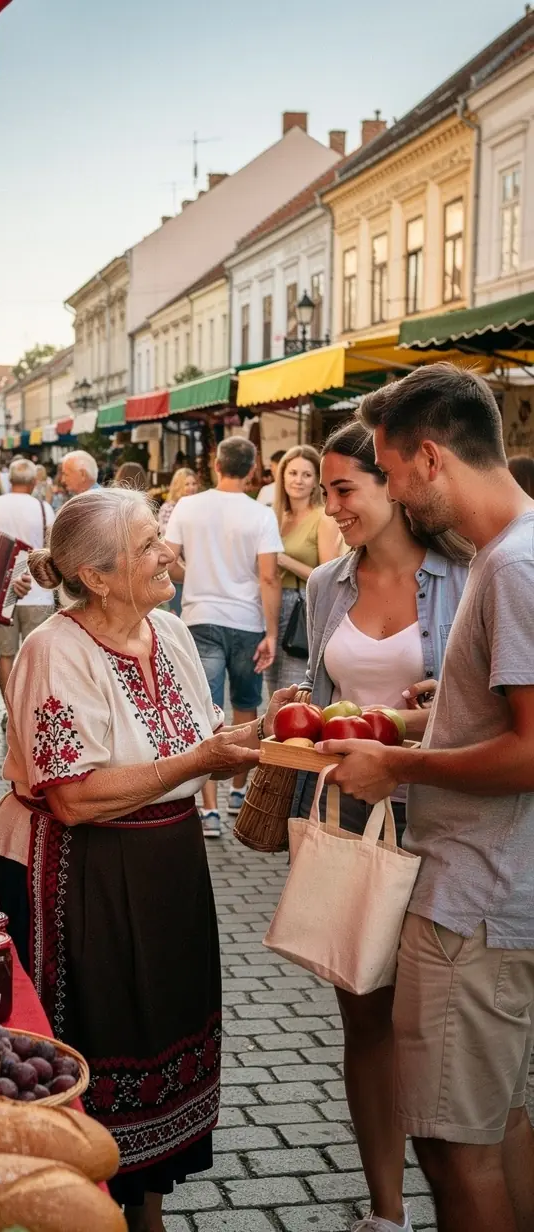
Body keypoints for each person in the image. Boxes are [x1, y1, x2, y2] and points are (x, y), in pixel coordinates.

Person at [0, 486, 260, 1229]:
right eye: (146, 545)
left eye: (159, 537)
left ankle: (148, 1209)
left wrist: (259, 744)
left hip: (167, 868)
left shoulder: (169, 632)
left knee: (164, 1022)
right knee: (98, 1040)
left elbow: (198, 751)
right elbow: (73, 796)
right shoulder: (53, 648)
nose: (166, 551)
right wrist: (200, 757)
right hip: (77, 876)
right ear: (97, 576)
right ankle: (78, 1206)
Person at [318, 363, 534, 1232]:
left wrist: (399, 769)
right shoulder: (508, 552)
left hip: (474, 900)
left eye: (392, 471)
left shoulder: (512, 568)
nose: (395, 496)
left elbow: (530, 751)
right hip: (491, 891)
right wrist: (433, 714)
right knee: (500, 1122)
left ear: (431, 459)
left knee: (452, 1149)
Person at [262, 420, 470, 1232]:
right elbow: (320, 697)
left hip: (448, 818)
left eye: (347, 488)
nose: (331, 505)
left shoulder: (467, 575)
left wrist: (406, 733)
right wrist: (295, 715)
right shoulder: (326, 586)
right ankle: (387, 1212)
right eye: (331, 489)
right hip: (349, 815)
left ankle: (465, 1193)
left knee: (441, 1031)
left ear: (393, 485)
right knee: (366, 1014)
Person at [164, 436, 283, 836]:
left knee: (206, 711)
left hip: (200, 618)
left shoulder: (188, 505)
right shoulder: (261, 514)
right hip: (247, 620)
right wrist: (272, 631)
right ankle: (238, 789)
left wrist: (192, 572)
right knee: (246, 705)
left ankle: (208, 809)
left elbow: (165, 558)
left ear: (215, 465)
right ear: (252, 470)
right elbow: (268, 576)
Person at [265, 445, 344, 694]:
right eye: (293, 473)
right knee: (271, 687)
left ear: (316, 483)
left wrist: (283, 560)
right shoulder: (274, 517)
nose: (298, 480)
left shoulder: (323, 518)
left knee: (291, 689)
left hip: (300, 606)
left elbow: (328, 575)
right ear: (283, 477)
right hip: (269, 607)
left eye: (307, 475)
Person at [0, 456, 55, 698]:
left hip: (3, 593)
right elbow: (51, 548)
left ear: (10, 479)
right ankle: (31, 711)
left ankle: (10, 712)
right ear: (35, 481)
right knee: (36, 657)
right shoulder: (44, 508)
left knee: (6, 654)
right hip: (38, 593)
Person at [158, 468, 199, 618]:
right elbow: (167, 542)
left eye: (194, 483)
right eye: (186, 484)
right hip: (178, 570)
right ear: (177, 486)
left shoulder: (198, 507)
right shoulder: (169, 509)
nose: (191, 487)